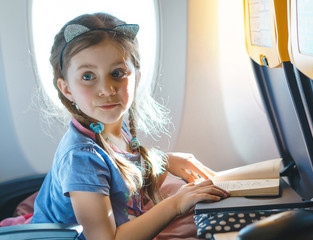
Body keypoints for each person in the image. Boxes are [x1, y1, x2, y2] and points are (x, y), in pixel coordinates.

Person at [31, 12, 229, 240]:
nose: (107, 89)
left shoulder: (111, 129)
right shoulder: (81, 158)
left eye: (117, 73)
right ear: (66, 89)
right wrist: (175, 204)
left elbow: (122, 175)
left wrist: (167, 161)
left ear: (136, 78)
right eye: (88, 76)